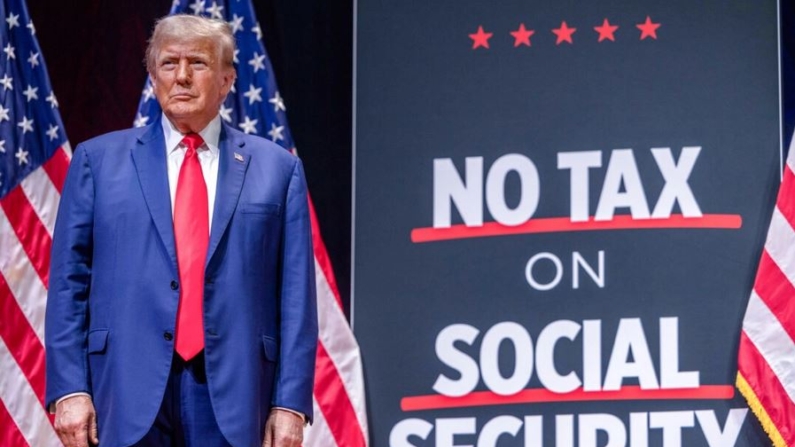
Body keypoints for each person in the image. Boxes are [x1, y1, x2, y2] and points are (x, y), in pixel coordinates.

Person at [45, 14, 317, 447]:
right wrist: (70, 388)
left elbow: (296, 296)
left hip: (236, 390)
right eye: (169, 64)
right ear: (154, 78)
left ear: (227, 80)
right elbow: (67, 285)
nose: (183, 77)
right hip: (123, 385)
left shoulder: (277, 170)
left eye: (199, 63)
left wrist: (290, 402)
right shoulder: (98, 162)